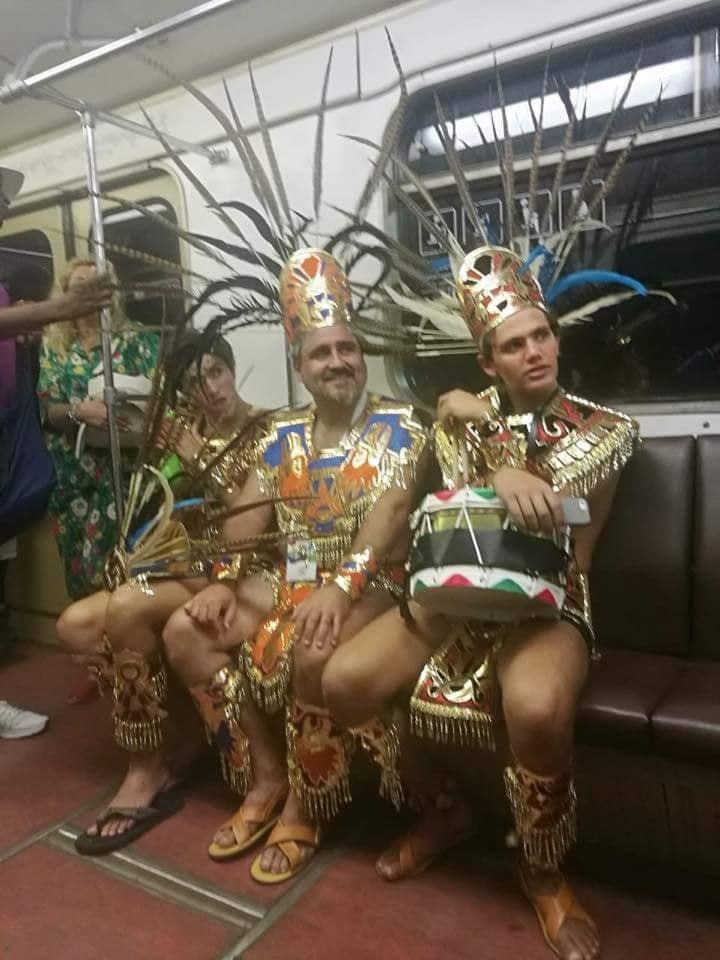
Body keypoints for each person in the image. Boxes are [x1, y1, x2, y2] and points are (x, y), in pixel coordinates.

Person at [322, 245, 640, 960]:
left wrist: (490, 442)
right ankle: (442, 810)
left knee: (533, 706)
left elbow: (561, 532)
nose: (535, 353)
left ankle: (541, 866)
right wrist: (459, 423)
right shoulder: (455, 416)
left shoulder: (605, 431)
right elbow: (410, 501)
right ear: (488, 361)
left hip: (550, 598)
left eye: (542, 335)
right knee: (342, 682)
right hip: (450, 593)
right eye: (512, 345)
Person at [162, 248, 429, 884]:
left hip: (376, 583)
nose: (338, 362)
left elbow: (390, 514)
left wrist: (340, 588)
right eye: (321, 353)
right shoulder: (280, 432)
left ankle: (310, 807)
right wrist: (225, 581)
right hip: (292, 578)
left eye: (348, 349)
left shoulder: (403, 425)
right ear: (299, 366)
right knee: (183, 631)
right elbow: (251, 512)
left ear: (362, 355)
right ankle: (268, 775)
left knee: (312, 648)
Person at [58, 332, 270, 853]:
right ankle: (182, 734)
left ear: (233, 368)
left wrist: (200, 459)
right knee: (75, 625)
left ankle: (146, 766)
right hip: (182, 562)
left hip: (242, 567)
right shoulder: (184, 427)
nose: (210, 388)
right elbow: (168, 504)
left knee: (128, 606)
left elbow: (257, 516)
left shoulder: (268, 427)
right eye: (196, 382)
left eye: (217, 372)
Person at [37, 258, 158, 601]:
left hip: (122, 472)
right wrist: (80, 411)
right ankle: (89, 641)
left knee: (116, 570)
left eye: (95, 286)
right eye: (79, 287)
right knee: (77, 571)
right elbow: (46, 410)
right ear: (65, 295)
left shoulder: (136, 339)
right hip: (70, 477)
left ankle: (120, 647)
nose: (87, 295)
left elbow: (161, 396)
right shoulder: (54, 348)